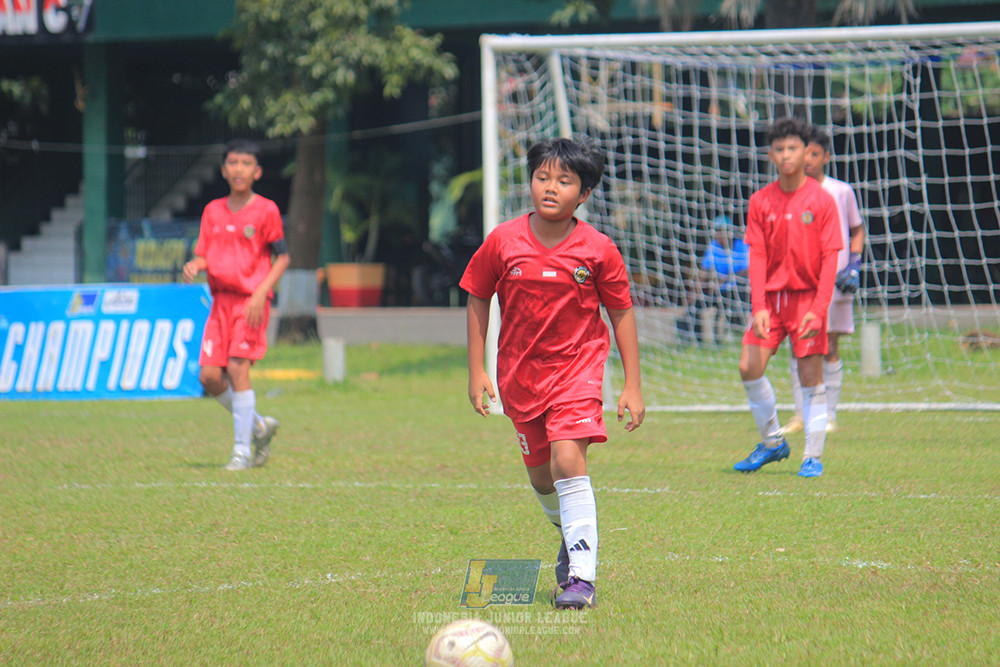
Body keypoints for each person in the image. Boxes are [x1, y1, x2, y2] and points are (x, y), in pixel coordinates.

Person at [461, 137, 645, 610]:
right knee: (542, 479)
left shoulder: (599, 249)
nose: (551, 187)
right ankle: (570, 531)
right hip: (520, 375)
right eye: (543, 177)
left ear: (583, 194)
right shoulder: (503, 240)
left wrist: (632, 384)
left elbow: (621, 312)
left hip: (577, 370)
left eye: (564, 181)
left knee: (568, 460)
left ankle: (581, 580)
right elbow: (478, 295)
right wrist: (476, 368)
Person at [732, 118, 842, 478]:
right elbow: (758, 256)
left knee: (811, 377)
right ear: (771, 155)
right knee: (749, 367)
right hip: (772, 304)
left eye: (792, 148)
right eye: (779, 149)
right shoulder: (760, 201)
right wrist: (759, 307)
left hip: (809, 302)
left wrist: (819, 308)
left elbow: (830, 259)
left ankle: (812, 455)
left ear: (806, 152)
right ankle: (773, 442)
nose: (786, 155)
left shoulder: (822, 200)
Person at [182, 139, 290, 471]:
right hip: (220, 303)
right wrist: (196, 265)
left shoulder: (266, 210)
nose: (238, 169)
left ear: (256, 172)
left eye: (245, 163)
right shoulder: (212, 211)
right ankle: (258, 426)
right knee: (210, 377)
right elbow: (205, 253)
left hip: (250, 303)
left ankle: (242, 451)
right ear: (223, 170)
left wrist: (261, 293)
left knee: (238, 369)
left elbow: (283, 257)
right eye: (233, 162)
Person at [781, 126, 866, 436]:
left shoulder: (841, 191)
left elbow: (857, 230)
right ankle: (801, 415)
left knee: (829, 347)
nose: (809, 160)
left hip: (835, 283)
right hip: (800, 284)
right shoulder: (789, 190)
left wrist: (854, 265)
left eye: (815, 154)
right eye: (806, 153)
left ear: (826, 157)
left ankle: (829, 415)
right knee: (798, 347)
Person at [678, 214, 750, 345]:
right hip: (719, 291)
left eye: (721, 231)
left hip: (738, 291)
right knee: (695, 303)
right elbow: (704, 271)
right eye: (716, 232)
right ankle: (694, 340)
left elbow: (748, 270)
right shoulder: (713, 247)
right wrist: (695, 290)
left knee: (739, 297)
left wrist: (726, 278)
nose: (719, 235)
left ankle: (735, 335)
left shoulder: (741, 246)